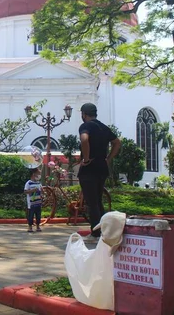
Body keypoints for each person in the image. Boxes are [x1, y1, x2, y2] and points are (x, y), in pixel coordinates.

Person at [78, 103, 121, 244]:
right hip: (102, 168)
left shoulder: (86, 126)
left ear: (84, 114)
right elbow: (117, 142)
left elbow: (84, 139)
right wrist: (108, 159)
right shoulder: (103, 127)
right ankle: (104, 231)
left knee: (92, 203)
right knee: (97, 201)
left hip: (89, 168)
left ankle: (96, 233)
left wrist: (86, 157)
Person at [24, 167, 43, 232]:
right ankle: (30, 227)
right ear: (33, 174)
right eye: (38, 173)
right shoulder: (28, 183)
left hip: (38, 202)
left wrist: (42, 192)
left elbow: (41, 191)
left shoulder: (39, 183)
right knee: (31, 215)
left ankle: (38, 226)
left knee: (38, 215)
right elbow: (25, 191)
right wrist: (32, 190)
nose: (39, 175)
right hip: (31, 203)